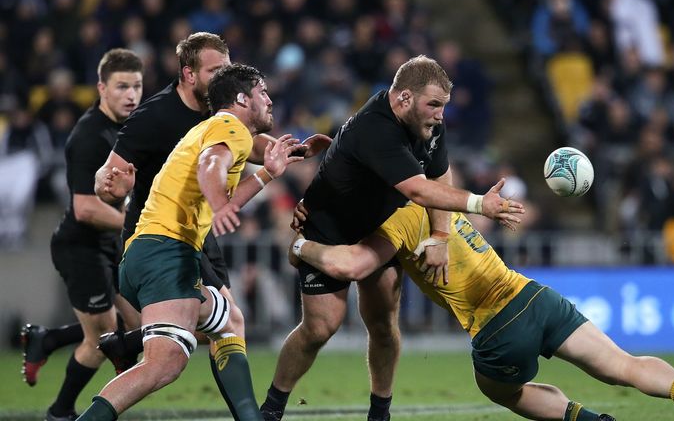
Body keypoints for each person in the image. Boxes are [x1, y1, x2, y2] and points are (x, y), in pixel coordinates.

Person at [288, 201, 674, 421]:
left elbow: (349, 262)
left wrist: (300, 244)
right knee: (623, 364)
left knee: (502, 391)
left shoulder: (392, 220)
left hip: (495, 327)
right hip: (535, 296)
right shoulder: (439, 200)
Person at [260, 55, 524, 421]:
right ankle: (271, 408)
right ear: (403, 99)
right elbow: (419, 190)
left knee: (384, 326)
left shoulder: (429, 125)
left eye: (443, 106)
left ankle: (379, 414)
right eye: (433, 104)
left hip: (380, 227)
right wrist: (480, 203)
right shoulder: (375, 129)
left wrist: (440, 235)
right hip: (327, 228)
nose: (440, 114)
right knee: (321, 327)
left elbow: (439, 176)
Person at [92, 32, 326, 417]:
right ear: (189, 74)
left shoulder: (215, 120)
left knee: (229, 319)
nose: (225, 73)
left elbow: (250, 148)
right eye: (216, 69)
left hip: (179, 241)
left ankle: (133, 343)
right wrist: (113, 186)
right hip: (160, 241)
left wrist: (290, 157)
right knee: (165, 362)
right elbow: (210, 164)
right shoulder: (164, 117)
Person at [19, 49, 144, 421]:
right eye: (122, 86)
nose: (131, 95)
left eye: (137, 86)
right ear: (101, 88)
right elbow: (85, 209)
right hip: (81, 246)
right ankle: (60, 412)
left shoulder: (125, 130)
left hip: (108, 245)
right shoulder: (90, 136)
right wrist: (136, 225)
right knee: (101, 337)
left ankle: (50, 339)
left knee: (141, 326)